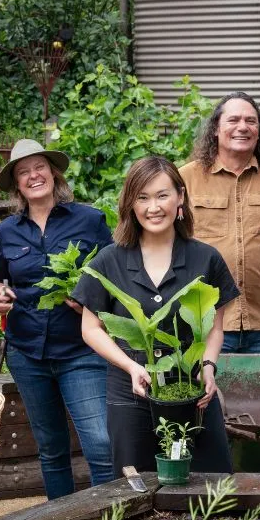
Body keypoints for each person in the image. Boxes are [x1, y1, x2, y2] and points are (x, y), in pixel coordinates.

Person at [74, 155, 238, 475]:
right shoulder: (109, 261)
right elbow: (90, 328)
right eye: (143, 198)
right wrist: (131, 366)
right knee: (135, 488)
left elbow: (216, 329)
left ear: (180, 197)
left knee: (210, 483)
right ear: (130, 205)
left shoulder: (206, 258)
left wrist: (208, 367)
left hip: (192, 390)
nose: (154, 207)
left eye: (163, 195)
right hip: (131, 392)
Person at [0, 139, 114, 500]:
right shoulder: (7, 231)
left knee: (100, 444)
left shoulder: (90, 220)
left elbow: (114, 276)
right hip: (27, 352)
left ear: (53, 173)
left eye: (39, 167)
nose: (33, 176)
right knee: (51, 447)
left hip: (81, 349)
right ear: (17, 184)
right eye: (24, 172)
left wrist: (92, 301)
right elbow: (1, 279)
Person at [179, 92, 260, 354]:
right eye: (233, 120)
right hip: (205, 322)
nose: (243, 127)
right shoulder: (186, 179)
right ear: (216, 129)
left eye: (251, 121)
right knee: (208, 394)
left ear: (259, 131)